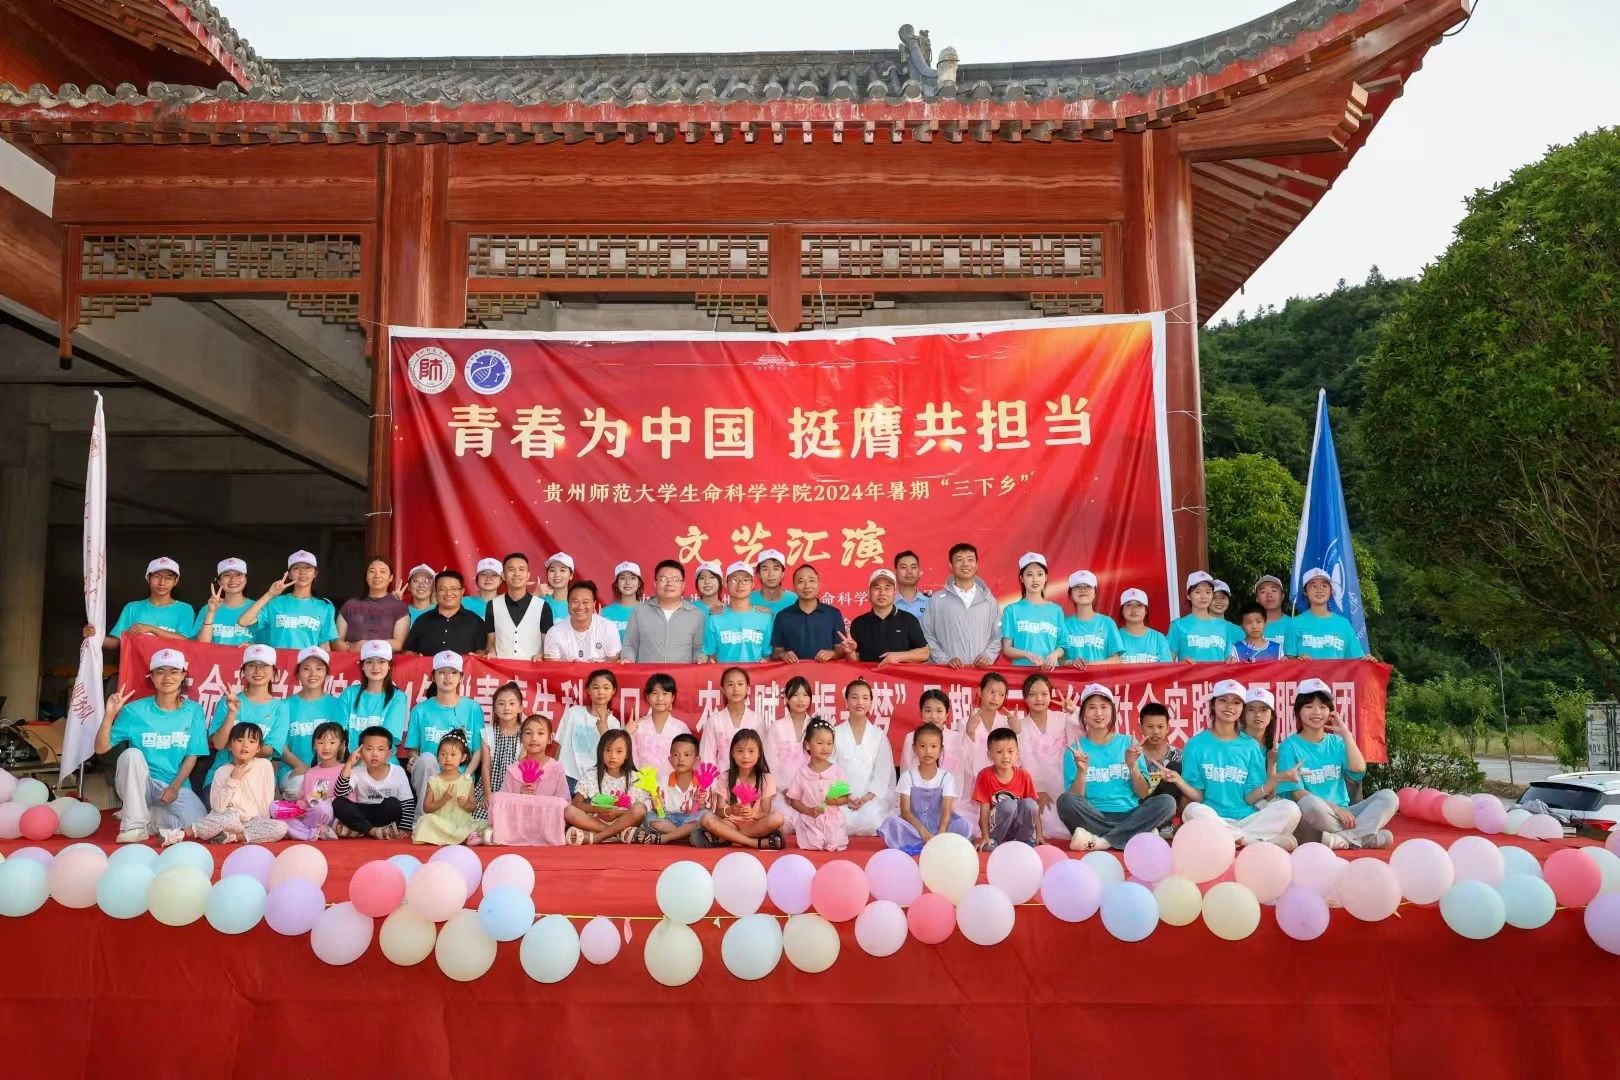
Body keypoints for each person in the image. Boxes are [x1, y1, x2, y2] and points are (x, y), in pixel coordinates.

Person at [1156, 679, 1302, 848]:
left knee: (1291, 809)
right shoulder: (1196, 744)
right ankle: (1253, 842)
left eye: (1236, 702)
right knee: (1192, 811)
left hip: (1247, 818)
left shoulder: (1250, 746)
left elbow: (1250, 797)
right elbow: (1198, 796)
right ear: (1213, 705)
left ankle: (1231, 838)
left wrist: (1275, 779)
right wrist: (1178, 780)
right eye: (1223, 700)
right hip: (1213, 817)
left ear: (1242, 709)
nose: (1229, 706)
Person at [95, 648, 209, 842]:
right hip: (141, 784)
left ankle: (148, 816)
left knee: (197, 824)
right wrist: (109, 715)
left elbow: (192, 754)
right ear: (152, 677)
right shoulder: (134, 710)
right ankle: (134, 826)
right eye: (160, 671)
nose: (167, 677)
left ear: (183, 676)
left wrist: (174, 787)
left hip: (174, 784)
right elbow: (101, 748)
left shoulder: (193, 710)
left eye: (174, 671)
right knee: (131, 755)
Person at [1278, 677, 1396, 849]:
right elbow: (1297, 793)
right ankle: (1364, 837)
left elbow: (1358, 770)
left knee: (1389, 797)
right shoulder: (1289, 746)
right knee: (1310, 803)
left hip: (1346, 816)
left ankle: (1344, 839)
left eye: (1323, 707)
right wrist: (1335, 809)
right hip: (1316, 816)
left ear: (1331, 713)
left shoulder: (1337, 742)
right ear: (1298, 711)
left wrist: (1346, 734)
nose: (1316, 712)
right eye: (1309, 706)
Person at [1056, 683, 1176, 851]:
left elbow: (1142, 793)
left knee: (1167, 803)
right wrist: (1082, 771)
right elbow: (1076, 798)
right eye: (1092, 707)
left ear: (1112, 711)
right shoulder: (1075, 750)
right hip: (1094, 816)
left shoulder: (1129, 743)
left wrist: (1132, 765)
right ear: (1083, 713)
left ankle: (1102, 841)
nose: (1098, 713)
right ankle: (1132, 835)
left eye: (1104, 707)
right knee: (1065, 801)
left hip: (1131, 814)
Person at [159, 721, 288, 847]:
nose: (245, 745)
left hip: (253, 822)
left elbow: (266, 798)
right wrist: (233, 779)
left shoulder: (264, 765)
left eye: (252, 741)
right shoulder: (222, 771)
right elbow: (218, 808)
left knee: (281, 827)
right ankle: (181, 834)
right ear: (230, 746)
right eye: (239, 740)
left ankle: (232, 837)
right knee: (229, 818)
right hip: (228, 820)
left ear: (258, 748)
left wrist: (263, 823)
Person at [201, 644, 287, 790]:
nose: (258, 671)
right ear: (243, 671)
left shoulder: (280, 707)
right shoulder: (229, 701)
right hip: (221, 778)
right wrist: (232, 713)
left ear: (273, 671)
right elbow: (219, 744)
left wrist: (236, 747)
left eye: (264, 666)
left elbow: (269, 750)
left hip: (257, 781)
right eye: (252, 665)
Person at [405, 651, 485, 807]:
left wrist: (466, 776)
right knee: (426, 759)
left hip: (461, 776)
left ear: (461, 677)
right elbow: (413, 750)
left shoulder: (473, 709)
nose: (447, 677)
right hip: (430, 779)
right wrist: (414, 760)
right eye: (442, 672)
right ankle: (423, 815)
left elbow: (477, 750)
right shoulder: (420, 710)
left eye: (453, 673)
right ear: (433, 677)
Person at [880, 721, 973, 850]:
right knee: (890, 823)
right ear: (914, 748)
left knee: (965, 826)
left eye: (933, 746)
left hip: (941, 828)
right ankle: (923, 841)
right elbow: (905, 811)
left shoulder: (946, 778)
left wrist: (940, 835)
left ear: (941, 749)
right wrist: (922, 830)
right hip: (915, 828)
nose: (928, 751)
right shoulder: (907, 777)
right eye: (922, 746)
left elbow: (946, 811)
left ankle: (937, 841)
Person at [698, 728, 786, 849]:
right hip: (730, 824)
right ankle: (754, 843)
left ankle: (726, 837)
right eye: (740, 751)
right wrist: (730, 810)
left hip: (755, 826)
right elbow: (718, 812)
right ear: (733, 753)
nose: (745, 756)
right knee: (707, 819)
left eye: (751, 751)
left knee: (778, 818)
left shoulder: (767, 779)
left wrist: (753, 814)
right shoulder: (725, 777)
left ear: (759, 753)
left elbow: (765, 814)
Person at [1015, 673, 1078, 841]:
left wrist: (1074, 712)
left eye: (1044, 694)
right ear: (1025, 698)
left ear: (1050, 696)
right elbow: (1015, 766)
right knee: (1040, 826)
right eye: (1032, 694)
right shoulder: (1019, 726)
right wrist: (1034, 793)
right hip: (1035, 793)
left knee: (1073, 826)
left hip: (1064, 788)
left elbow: (1083, 738)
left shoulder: (1063, 719)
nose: (1039, 699)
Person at [278, 645, 347, 797]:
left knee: (327, 792)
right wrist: (299, 765)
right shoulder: (285, 705)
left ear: (327, 673)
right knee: (300, 790)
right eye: (306, 668)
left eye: (319, 668)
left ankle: (318, 807)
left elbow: (340, 745)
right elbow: (280, 745)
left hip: (328, 771)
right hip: (296, 770)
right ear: (298, 674)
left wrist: (322, 771)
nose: (313, 674)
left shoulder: (337, 705)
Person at [491, 715, 571, 846]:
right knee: (495, 798)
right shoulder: (513, 769)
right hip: (519, 824)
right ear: (521, 738)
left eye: (540, 733)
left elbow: (564, 800)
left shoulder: (556, 768)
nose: (534, 738)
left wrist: (542, 803)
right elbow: (504, 804)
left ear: (550, 738)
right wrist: (520, 796)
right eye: (528, 733)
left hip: (546, 825)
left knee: (565, 807)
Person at [922, 542, 1002, 668]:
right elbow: (927, 635)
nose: (965, 564)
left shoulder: (989, 601)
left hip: (980, 673)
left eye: (970, 559)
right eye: (959, 560)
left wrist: (987, 656)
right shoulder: (937, 600)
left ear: (977, 564)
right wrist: (945, 660)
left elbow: (998, 635)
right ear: (951, 565)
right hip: (947, 674)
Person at [238, 550, 337, 650]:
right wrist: (270, 594)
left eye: (308, 568)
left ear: (315, 573)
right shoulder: (275, 603)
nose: (303, 572)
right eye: (296, 568)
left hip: (307, 660)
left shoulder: (324, 606)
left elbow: (324, 645)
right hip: (279, 659)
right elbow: (243, 621)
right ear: (289, 575)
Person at [566, 729, 653, 844]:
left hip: (625, 822)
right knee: (569, 811)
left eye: (619, 751)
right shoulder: (591, 775)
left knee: (640, 809)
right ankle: (618, 835)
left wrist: (617, 813)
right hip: (596, 822)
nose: (613, 756)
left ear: (627, 754)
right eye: (608, 750)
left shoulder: (636, 777)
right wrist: (597, 809)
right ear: (601, 752)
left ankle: (597, 837)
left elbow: (643, 810)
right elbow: (576, 804)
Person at [832, 678, 895, 835]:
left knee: (872, 822)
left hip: (871, 801)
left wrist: (866, 799)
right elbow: (829, 770)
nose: (860, 702)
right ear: (846, 702)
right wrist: (844, 798)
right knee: (838, 821)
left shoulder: (879, 736)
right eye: (854, 697)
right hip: (841, 800)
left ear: (871, 702)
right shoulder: (835, 733)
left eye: (865, 698)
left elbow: (883, 775)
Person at [332, 726, 416, 838]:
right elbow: (340, 793)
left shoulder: (398, 771)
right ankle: (373, 831)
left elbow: (408, 803)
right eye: (369, 749)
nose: (375, 754)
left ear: (389, 753)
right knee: (338, 803)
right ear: (360, 752)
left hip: (385, 813)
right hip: (363, 813)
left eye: (380, 749)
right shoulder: (356, 771)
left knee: (393, 804)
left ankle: (360, 830)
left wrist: (405, 829)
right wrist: (348, 764)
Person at [97, 557, 195, 650]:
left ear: (176, 581)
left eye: (169, 577)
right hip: (135, 662)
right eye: (157, 576)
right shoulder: (132, 608)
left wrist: (151, 629)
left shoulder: (185, 609)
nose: (162, 582)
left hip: (169, 663)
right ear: (148, 578)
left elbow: (185, 641)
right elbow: (116, 643)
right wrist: (94, 637)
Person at [954, 674, 1011, 834]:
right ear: (980, 691)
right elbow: (961, 760)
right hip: (973, 789)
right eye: (991, 692)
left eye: (1001, 694)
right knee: (961, 818)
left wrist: (1017, 731)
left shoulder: (1007, 723)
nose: (995, 698)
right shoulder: (965, 722)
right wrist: (970, 733)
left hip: (1000, 787)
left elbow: (1013, 759)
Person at [622, 559, 708, 663]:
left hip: (681, 673)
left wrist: (700, 658)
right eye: (663, 579)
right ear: (655, 584)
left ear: (683, 585)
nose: (669, 583)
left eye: (675, 579)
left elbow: (699, 647)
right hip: (648, 673)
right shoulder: (639, 611)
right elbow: (630, 644)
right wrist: (627, 659)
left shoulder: (696, 614)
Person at [785, 718, 851, 851]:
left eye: (829, 743)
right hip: (810, 820)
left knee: (835, 842)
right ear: (808, 745)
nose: (825, 748)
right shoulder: (802, 772)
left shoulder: (837, 770)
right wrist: (809, 811)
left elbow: (846, 797)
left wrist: (836, 801)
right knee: (814, 843)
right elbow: (794, 801)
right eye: (820, 743)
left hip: (832, 820)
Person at [473, 681, 527, 840]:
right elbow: (485, 766)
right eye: (501, 704)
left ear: (520, 708)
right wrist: (487, 794)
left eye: (512, 703)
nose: (506, 708)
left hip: (516, 790)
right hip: (491, 788)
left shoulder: (527, 732)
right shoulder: (487, 733)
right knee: (480, 818)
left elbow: (524, 766)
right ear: (495, 709)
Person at [556, 669, 622, 798]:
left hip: (593, 782)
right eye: (596, 687)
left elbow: (612, 756)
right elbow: (559, 745)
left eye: (606, 688)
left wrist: (604, 731)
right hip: (566, 777)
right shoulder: (574, 713)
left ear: (613, 691)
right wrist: (554, 773)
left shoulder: (614, 723)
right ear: (588, 690)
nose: (601, 692)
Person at [762, 675, 814, 835]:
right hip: (782, 794)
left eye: (805, 695)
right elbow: (770, 764)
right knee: (781, 823)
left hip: (810, 793)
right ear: (786, 699)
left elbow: (823, 761)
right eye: (796, 694)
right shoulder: (776, 728)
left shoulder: (815, 728)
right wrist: (786, 790)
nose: (801, 699)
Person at [972, 728, 1039, 851]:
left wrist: (1040, 835)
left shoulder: (1024, 775)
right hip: (996, 827)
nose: (1006, 756)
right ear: (989, 755)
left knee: (1030, 803)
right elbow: (984, 809)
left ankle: (1024, 839)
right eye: (999, 752)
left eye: (1010, 751)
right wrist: (985, 837)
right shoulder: (985, 775)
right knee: (1009, 805)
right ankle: (993, 840)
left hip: (1016, 828)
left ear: (1017, 754)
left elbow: (1033, 809)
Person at [770, 564, 849, 662]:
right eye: (801, 581)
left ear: (819, 584)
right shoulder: (782, 616)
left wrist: (832, 653)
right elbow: (776, 652)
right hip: (794, 671)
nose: (807, 586)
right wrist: (783, 655)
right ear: (794, 586)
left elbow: (840, 650)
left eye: (811, 580)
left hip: (825, 670)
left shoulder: (833, 614)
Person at [848, 567, 929, 663]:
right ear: (869, 593)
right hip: (868, 673)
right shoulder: (858, 623)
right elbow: (855, 663)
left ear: (895, 593)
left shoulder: (909, 620)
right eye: (877, 588)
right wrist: (850, 653)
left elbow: (924, 653)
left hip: (899, 673)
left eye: (887, 588)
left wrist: (898, 657)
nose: (882, 593)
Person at [999, 552, 1065, 668]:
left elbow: (1062, 645)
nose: (1035, 579)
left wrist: (1056, 654)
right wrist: (1027, 654)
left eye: (1039, 574)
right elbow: (1007, 648)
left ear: (1046, 577)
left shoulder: (1056, 610)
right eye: (1029, 575)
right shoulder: (1011, 610)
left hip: (1051, 673)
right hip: (1022, 673)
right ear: (1022, 578)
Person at [282, 721, 346, 841]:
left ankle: (301, 831)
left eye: (332, 742)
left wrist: (326, 801)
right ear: (314, 745)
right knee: (276, 808)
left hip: (331, 816)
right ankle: (315, 831)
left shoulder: (345, 770)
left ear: (341, 745)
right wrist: (300, 807)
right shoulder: (311, 772)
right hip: (309, 815)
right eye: (321, 742)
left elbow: (349, 802)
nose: (326, 747)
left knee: (322, 807)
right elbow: (304, 801)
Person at [1285, 567, 1368, 659]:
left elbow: (1356, 660)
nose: (1319, 590)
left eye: (1324, 586)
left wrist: (1367, 661)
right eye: (1313, 586)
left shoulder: (1343, 624)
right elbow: (1289, 662)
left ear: (1331, 591)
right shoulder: (1294, 623)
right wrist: (1298, 661)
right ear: (1305, 592)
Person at [413, 730, 479, 846]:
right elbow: (427, 808)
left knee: (483, 824)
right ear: (438, 756)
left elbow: (473, 806)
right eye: (443, 754)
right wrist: (442, 800)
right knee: (425, 820)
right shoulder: (434, 780)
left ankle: (459, 835)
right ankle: (461, 837)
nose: (448, 759)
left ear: (463, 757)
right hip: (441, 823)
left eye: (453, 755)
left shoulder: (467, 781)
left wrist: (465, 804)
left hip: (461, 822)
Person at [484, 552, 553, 660]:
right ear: (503, 575)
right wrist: (491, 652)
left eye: (521, 569)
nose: (517, 573)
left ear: (528, 575)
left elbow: (548, 644)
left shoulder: (543, 606)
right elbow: (491, 642)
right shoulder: (492, 605)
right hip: (502, 668)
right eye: (511, 569)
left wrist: (541, 655)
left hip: (532, 668)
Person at [339, 640, 407, 748]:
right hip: (351, 757)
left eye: (381, 661)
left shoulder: (398, 697)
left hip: (382, 757)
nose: (375, 667)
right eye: (369, 662)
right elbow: (338, 732)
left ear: (389, 665)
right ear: (362, 666)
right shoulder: (349, 693)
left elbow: (388, 741)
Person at [403, 570, 488, 656]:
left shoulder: (475, 621)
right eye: (442, 589)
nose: (448, 593)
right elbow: (409, 652)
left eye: (454, 589)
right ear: (435, 592)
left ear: (462, 592)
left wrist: (478, 657)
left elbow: (482, 652)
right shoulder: (422, 620)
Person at [702, 562, 774, 663]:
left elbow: (767, 655)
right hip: (725, 673)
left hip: (755, 673)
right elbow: (711, 655)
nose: (740, 584)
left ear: (753, 584)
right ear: (726, 584)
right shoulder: (714, 618)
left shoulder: (765, 618)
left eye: (745, 580)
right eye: (734, 580)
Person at [335, 557, 409, 652]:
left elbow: (398, 644)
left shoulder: (399, 607)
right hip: (352, 660)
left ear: (391, 577)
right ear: (366, 577)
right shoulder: (350, 605)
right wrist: (351, 648)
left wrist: (365, 646)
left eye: (383, 571)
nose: (377, 575)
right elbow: (336, 642)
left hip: (384, 661)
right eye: (372, 571)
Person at [646, 733, 706, 846]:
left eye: (687, 755)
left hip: (691, 820)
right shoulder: (663, 782)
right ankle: (685, 837)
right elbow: (661, 813)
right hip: (670, 819)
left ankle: (671, 837)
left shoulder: (702, 783)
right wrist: (657, 806)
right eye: (676, 755)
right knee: (649, 817)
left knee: (705, 815)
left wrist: (699, 805)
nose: (681, 759)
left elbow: (699, 812)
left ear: (696, 759)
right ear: (670, 759)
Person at [542, 580, 622, 662]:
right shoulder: (554, 633)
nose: (580, 607)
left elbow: (613, 663)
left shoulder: (609, 628)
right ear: (568, 604)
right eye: (575, 602)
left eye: (585, 602)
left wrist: (594, 666)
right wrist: (572, 667)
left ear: (594, 605)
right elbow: (552, 667)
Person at [1168, 571, 1239, 662]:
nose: (1203, 596)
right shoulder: (1178, 625)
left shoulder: (1224, 627)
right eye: (1198, 592)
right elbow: (1167, 662)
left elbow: (1227, 658)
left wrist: (1231, 660)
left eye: (1208, 592)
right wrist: (1181, 665)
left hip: (1219, 672)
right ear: (1188, 596)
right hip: (1189, 672)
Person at [627, 672, 690, 770]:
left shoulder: (681, 728)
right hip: (641, 779)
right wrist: (626, 733)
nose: (660, 698)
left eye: (665, 693)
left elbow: (689, 759)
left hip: (674, 779)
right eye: (655, 693)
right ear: (647, 697)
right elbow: (630, 760)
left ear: (672, 697)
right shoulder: (637, 727)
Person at [698, 666, 757, 771]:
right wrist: (714, 781)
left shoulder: (757, 720)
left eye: (740, 684)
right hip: (721, 779)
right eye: (730, 684)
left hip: (751, 779)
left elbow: (761, 756)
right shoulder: (714, 721)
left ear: (748, 688)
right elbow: (707, 757)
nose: (736, 689)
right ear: (723, 689)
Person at [1061, 570, 1125, 666]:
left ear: (1095, 593)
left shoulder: (1107, 623)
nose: (1083, 590)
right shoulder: (1064, 625)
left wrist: (1092, 666)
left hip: (1101, 676)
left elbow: (1116, 659)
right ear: (1070, 594)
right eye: (1077, 587)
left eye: (1088, 586)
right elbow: (1059, 659)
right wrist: (1070, 662)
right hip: (1072, 676)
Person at [1136, 701, 1184, 821]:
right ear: (1141, 727)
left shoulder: (1178, 755)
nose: (1155, 732)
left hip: (1167, 810)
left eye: (1160, 727)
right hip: (1138, 810)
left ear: (1168, 728)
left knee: (1175, 767)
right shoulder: (1133, 755)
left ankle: (1163, 824)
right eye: (1150, 727)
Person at [194, 557, 254, 646]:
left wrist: (253, 646)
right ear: (219, 581)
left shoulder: (258, 608)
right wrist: (211, 612)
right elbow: (201, 646)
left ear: (245, 579)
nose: (233, 579)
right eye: (227, 575)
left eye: (238, 574)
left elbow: (269, 642)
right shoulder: (207, 609)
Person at [1116, 589, 1173, 663]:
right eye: (1129, 605)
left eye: (1139, 605)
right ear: (1122, 611)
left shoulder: (1158, 638)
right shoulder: (1115, 638)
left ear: (1146, 611)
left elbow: (1168, 668)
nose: (1134, 609)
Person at [1242, 685, 1280, 776]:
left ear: (1271, 715)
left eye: (1263, 710)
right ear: (1243, 713)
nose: (1258, 715)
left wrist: (1271, 764)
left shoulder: (1276, 748)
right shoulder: (1233, 742)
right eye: (1251, 709)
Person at [599, 561, 643, 636]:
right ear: (617, 583)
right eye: (622, 578)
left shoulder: (649, 612)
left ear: (639, 583)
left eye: (632, 578)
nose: (627, 582)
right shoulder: (604, 613)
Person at [749, 548, 796, 614]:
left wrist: (772, 615)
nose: (771, 574)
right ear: (758, 574)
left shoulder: (795, 600)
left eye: (776, 569)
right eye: (765, 569)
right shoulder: (748, 599)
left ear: (783, 573)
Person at [1253, 574, 1291, 650]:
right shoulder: (1248, 627)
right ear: (1257, 599)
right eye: (1263, 592)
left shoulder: (1294, 624)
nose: (1269, 595)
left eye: (1274, 590)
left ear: (1282, 596)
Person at [892, 550, 930, 621]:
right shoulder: (888, 603)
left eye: (913, 567)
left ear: (919, 572)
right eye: (903, 567)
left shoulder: (931, 602)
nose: (909, 571)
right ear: (895, 572)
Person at [541, 552, 575, 622]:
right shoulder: (539, 602)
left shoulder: (578, 605)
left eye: (562, 570)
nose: (557, 575)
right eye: (552, 570)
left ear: (571, 575)